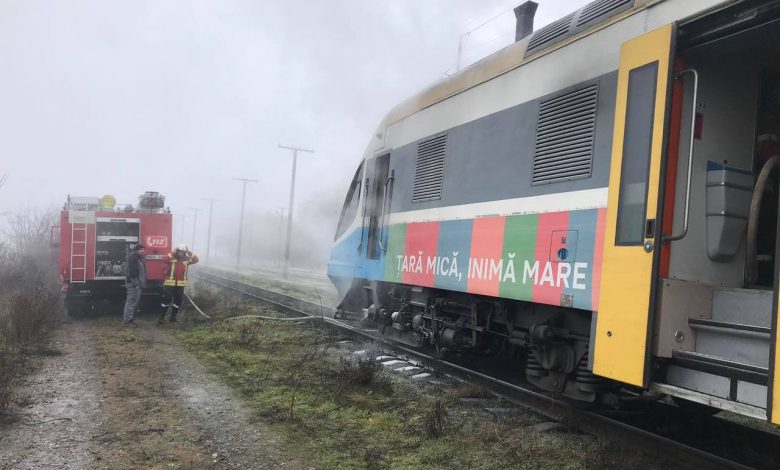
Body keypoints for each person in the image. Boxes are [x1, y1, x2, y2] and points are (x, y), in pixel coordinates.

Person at [159, 244, 199, 324]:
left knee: (178, 301)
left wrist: (189, 252)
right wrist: (173, 252)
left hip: (180, 284)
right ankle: (162, 317)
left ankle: (173, 317)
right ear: (177, 251)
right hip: (170, 283)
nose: (181, 254)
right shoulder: (171, 258)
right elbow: (164, 259)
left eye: (183, 252)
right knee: (167, 299)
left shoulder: (186, 260)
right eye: (180, 252)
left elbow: (196, 259)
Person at [123, 243, 146, 326]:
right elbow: (132, 272)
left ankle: (130, 319)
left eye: (143, 249)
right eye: (141, 249)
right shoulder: (133, 257)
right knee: (131, 302)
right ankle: (127, 321)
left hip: (137, 284)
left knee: (133, 302)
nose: (143, 251)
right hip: (133, 284)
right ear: (137, 250)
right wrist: (136, 283)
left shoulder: (138, 257)